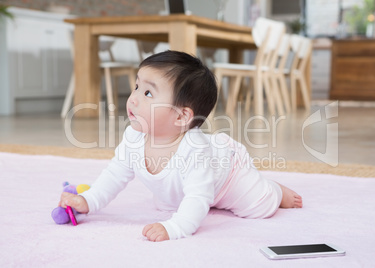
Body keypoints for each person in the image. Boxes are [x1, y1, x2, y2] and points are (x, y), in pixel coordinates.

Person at [58, 50, 302, 242]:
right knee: (167, 202)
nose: (133, 98)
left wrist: (174, 227)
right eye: (136, 87)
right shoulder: (133, 138)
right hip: (186, 186)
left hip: (228, 175)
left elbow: (197, 197)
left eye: (148, 94)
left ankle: (274, 189)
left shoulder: (195, 151)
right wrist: (88, 200)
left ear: (181, 117)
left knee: (258, 206)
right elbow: (114, 175)